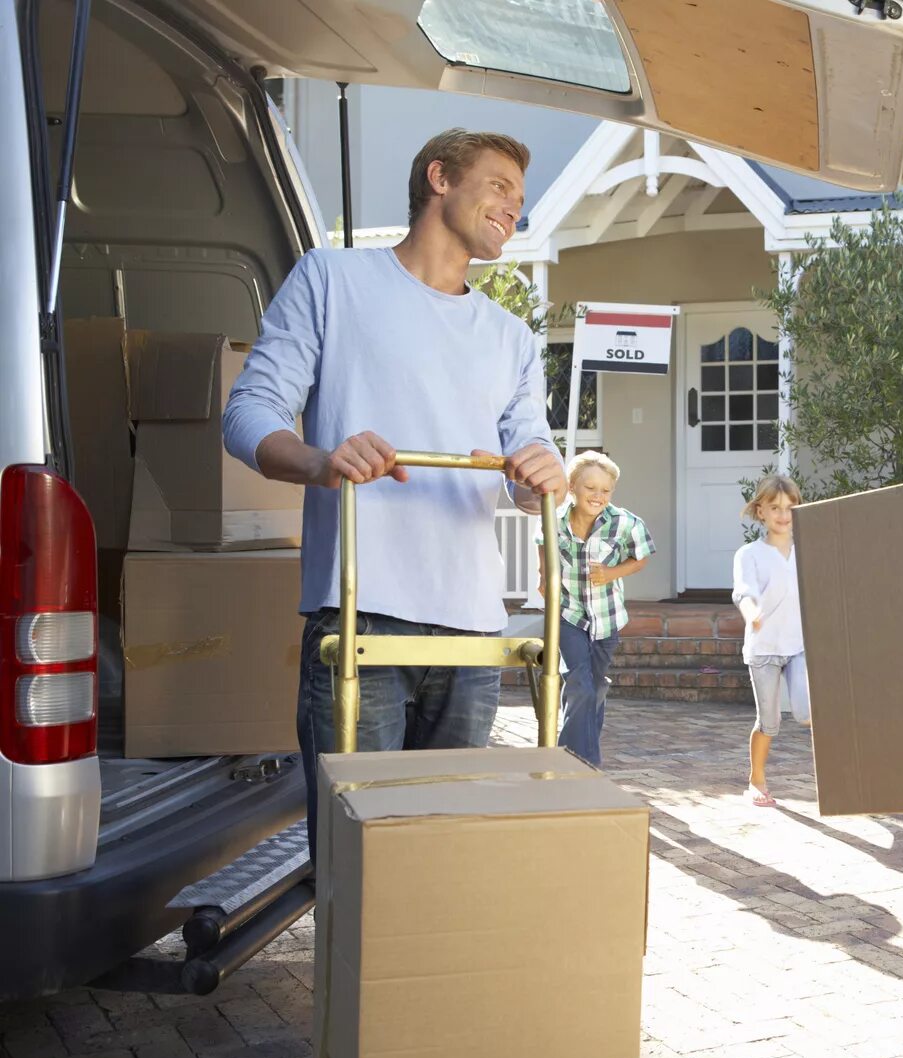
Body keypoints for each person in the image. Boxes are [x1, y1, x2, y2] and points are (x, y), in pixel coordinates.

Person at [221, 128, 566, 851]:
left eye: (521, 200)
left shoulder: (513, 339)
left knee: (439, 864)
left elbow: (531, 457)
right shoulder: (330, 279)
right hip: (359, 619)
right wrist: (323, 462)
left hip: (474, 632)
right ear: (439, 177)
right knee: (356, 862)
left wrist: (540, 475)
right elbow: (247, 414)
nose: (514, 208)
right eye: (500, 186)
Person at [549, 450, 653, 767]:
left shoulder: (625, 523)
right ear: (571, 487)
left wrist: (610, 574)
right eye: (590, 488)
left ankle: (575, 757)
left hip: (607, 621)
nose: (598, 496)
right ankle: (578, 763)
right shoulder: (554, 520)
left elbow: (642, 556)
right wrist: (544, 575)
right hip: (569, 616)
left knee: (591, 687)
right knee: (579, 683)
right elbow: (544, 545)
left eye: (605, 490)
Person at [731, 475, 810, 807]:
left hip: (800, 646)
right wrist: (751, 613)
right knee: (770, 722)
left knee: (808, 713)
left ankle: (843, 783)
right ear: (759, 511)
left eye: (790, 508)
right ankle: (757, 779)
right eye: (775, 507)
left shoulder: (808, 548)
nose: (783, 514)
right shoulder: (749, 554)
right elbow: (744, 592)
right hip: (763, 650)